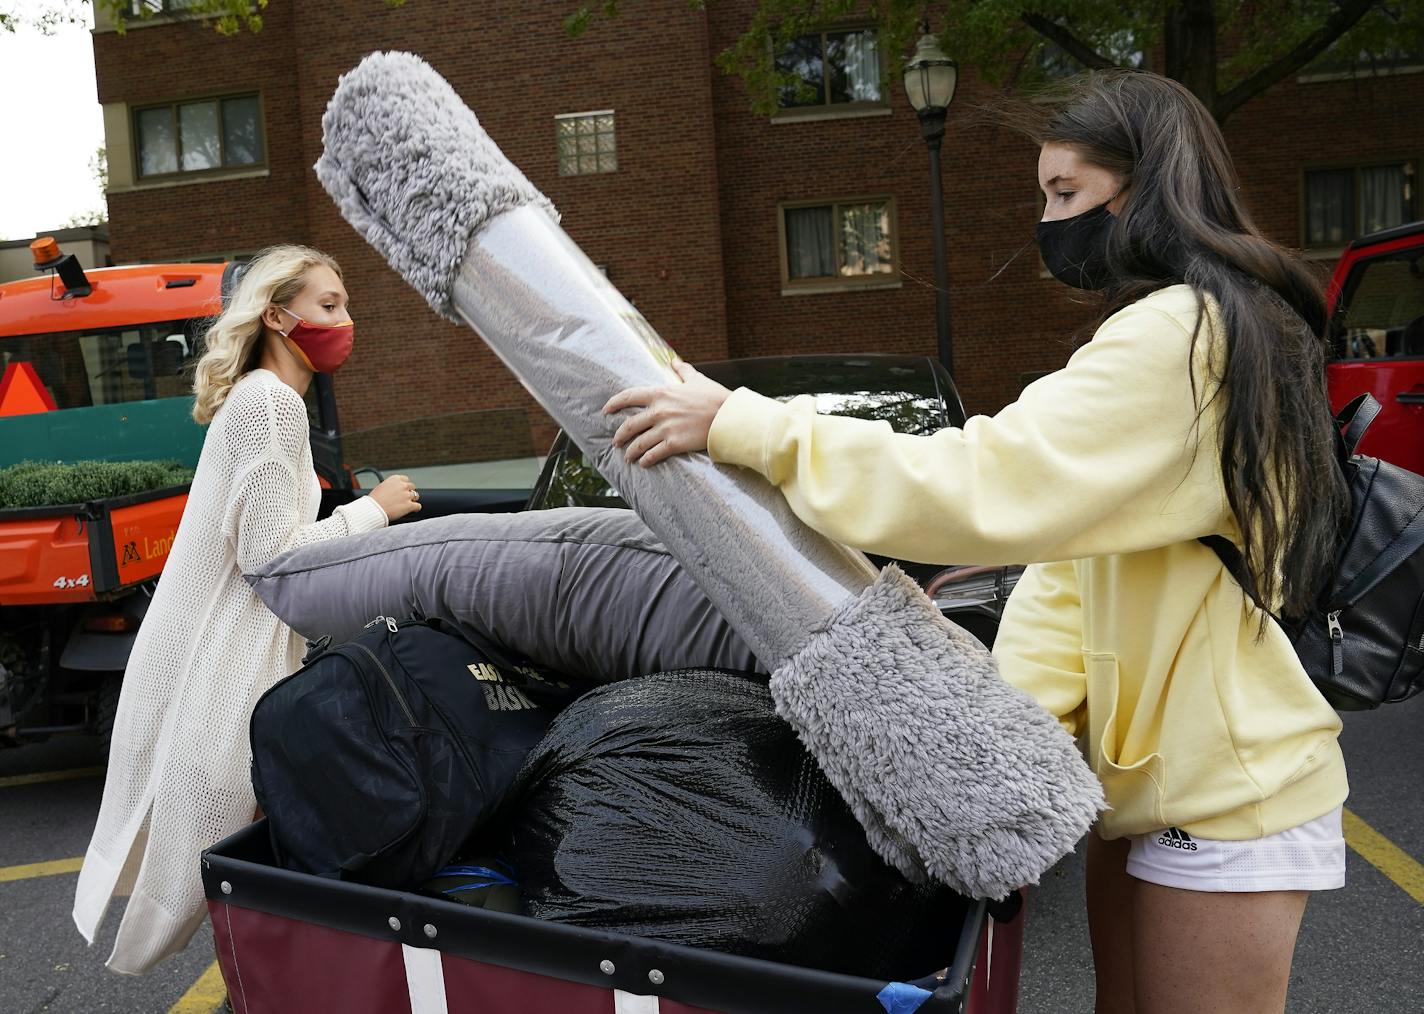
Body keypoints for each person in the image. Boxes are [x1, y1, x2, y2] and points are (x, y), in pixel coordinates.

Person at [603, 71, 1349, 1014]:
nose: (1050, 222)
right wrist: (967, 711)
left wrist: (749, 427)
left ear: (1147, 185)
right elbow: (1074, 578)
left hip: (1228, 792)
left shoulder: (1186, 334)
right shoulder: (1196, 326)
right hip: (1168, 787)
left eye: (1066, 194)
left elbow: (987, 480)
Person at [73, 245, 422, 973]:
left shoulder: (267, 400)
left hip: (228, 659)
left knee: (252, 876)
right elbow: (270, 555)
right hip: (229, 670)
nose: (344, 320)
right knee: (251, 871)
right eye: (328, 306)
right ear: (276, 315)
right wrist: (372, 512)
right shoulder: (269, 404)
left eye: (344, 304)